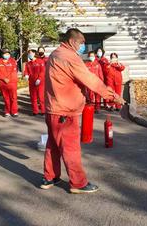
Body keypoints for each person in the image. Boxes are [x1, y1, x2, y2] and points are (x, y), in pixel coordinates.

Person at [41, 28, 124, 194]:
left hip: (53, 109)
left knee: (53, 144)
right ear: (73, 41)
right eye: (82, 44)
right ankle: (78, 183)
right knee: (70, 148)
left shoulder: (55, 54)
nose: (83, 48)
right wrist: (113, 96)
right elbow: (91, 80)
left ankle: (50, 177)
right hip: (66, 111)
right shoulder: (70, 58)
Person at [0, 49, 19, 117]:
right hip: (3, 83)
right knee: (6, 98)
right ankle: (7, 111)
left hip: (12, 82)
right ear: (2, 54)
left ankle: (14, 111)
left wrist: (8, 78)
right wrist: (4, 78)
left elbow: (14, 71)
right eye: (5, 53)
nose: (7, 55)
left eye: (8, 53)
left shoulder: (13, 61)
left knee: (13, 98)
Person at [24, 49, 46, 115]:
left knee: (41, 97)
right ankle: (35, 111)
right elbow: (26, 71)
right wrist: (26, 75)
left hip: (40, 83)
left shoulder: (40, 61)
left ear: (34, 53)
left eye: (30, 53)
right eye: (28, 53)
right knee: (33, 97)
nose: (29, 54)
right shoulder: (28, 63)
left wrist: (39, 79)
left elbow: (42, 71)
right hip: (32, 82)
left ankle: (43, 110)